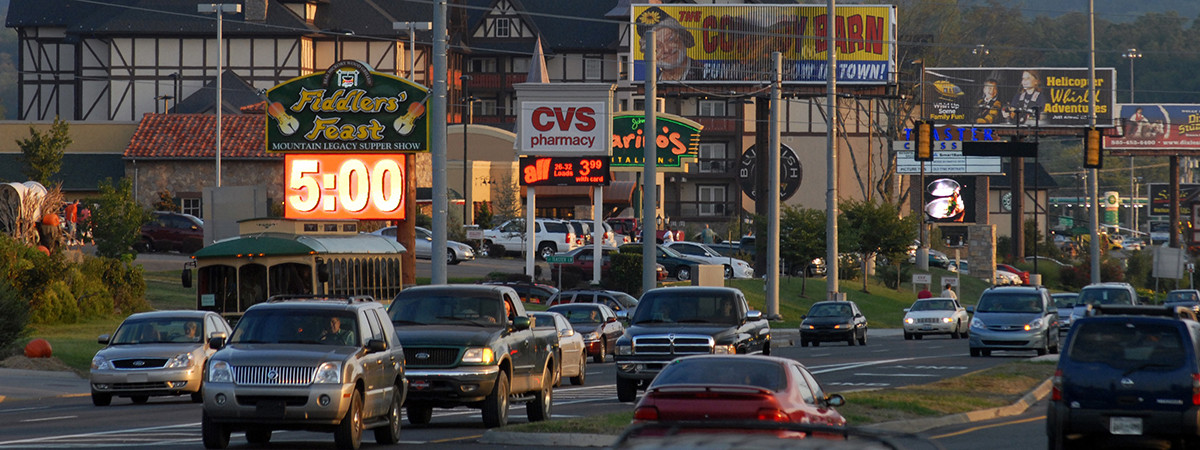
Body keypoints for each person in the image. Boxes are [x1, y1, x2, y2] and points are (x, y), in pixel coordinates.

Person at [636, 6, 704, 81]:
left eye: (670, 40)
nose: (666, 49)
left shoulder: (704, 73)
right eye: (657, 46)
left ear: (682, 36)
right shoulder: (652, 84)